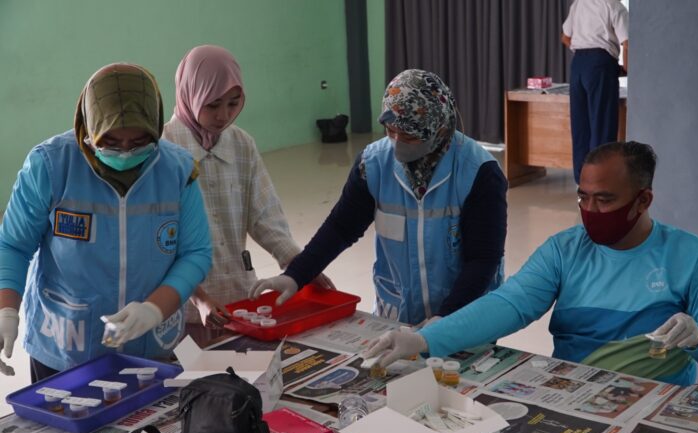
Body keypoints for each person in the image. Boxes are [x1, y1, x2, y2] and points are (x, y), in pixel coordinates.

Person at [364, 142, 698, 386]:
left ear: (643, 201)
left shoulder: (690, 256)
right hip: (576, 388)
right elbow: (509, 304)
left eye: (605, 200)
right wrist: (425, 339)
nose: (590, 210)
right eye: (583, 197)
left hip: (654, 396)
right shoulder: (565, 249)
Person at [0, 63, 212, 380]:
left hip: (149, 345)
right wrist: (6, 310)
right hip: (64, 347)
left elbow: (195, 253)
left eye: (139, 142)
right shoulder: (51, 165)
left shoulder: (178, 171)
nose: (125, 153)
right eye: (110, 142)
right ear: (89, 127)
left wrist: (154, 309)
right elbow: (13, 245)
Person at [252, 69, 507, 326]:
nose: (397, 143)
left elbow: (483, 259)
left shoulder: (478, 172)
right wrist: (295, 275)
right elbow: (341, 228)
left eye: (409, 136)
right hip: (398, 313)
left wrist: (446, 319)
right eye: (390, 131)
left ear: (438, 128)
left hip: (464, 315)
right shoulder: (373, 164)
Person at [163, 45, 332, 343]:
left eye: (233, 103)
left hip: (238, 298)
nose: (223, 116)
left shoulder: (241, 145)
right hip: (185, 308)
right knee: (192, 370)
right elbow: (160, 244)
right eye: (212, 105)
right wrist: (198, 298)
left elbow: (265, 216)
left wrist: (300, 265)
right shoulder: (165, 152)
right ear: (190, 94)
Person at [561, 0, 628, 183]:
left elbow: (565, 37)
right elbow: (627, 42)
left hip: (578, 65)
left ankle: (582, 181)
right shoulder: (613, 5)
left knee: (580, 127)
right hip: (600, 62)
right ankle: (600, 180)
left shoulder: (579, 4)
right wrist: (627, 68)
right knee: (602, 124)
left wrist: (584, 51)